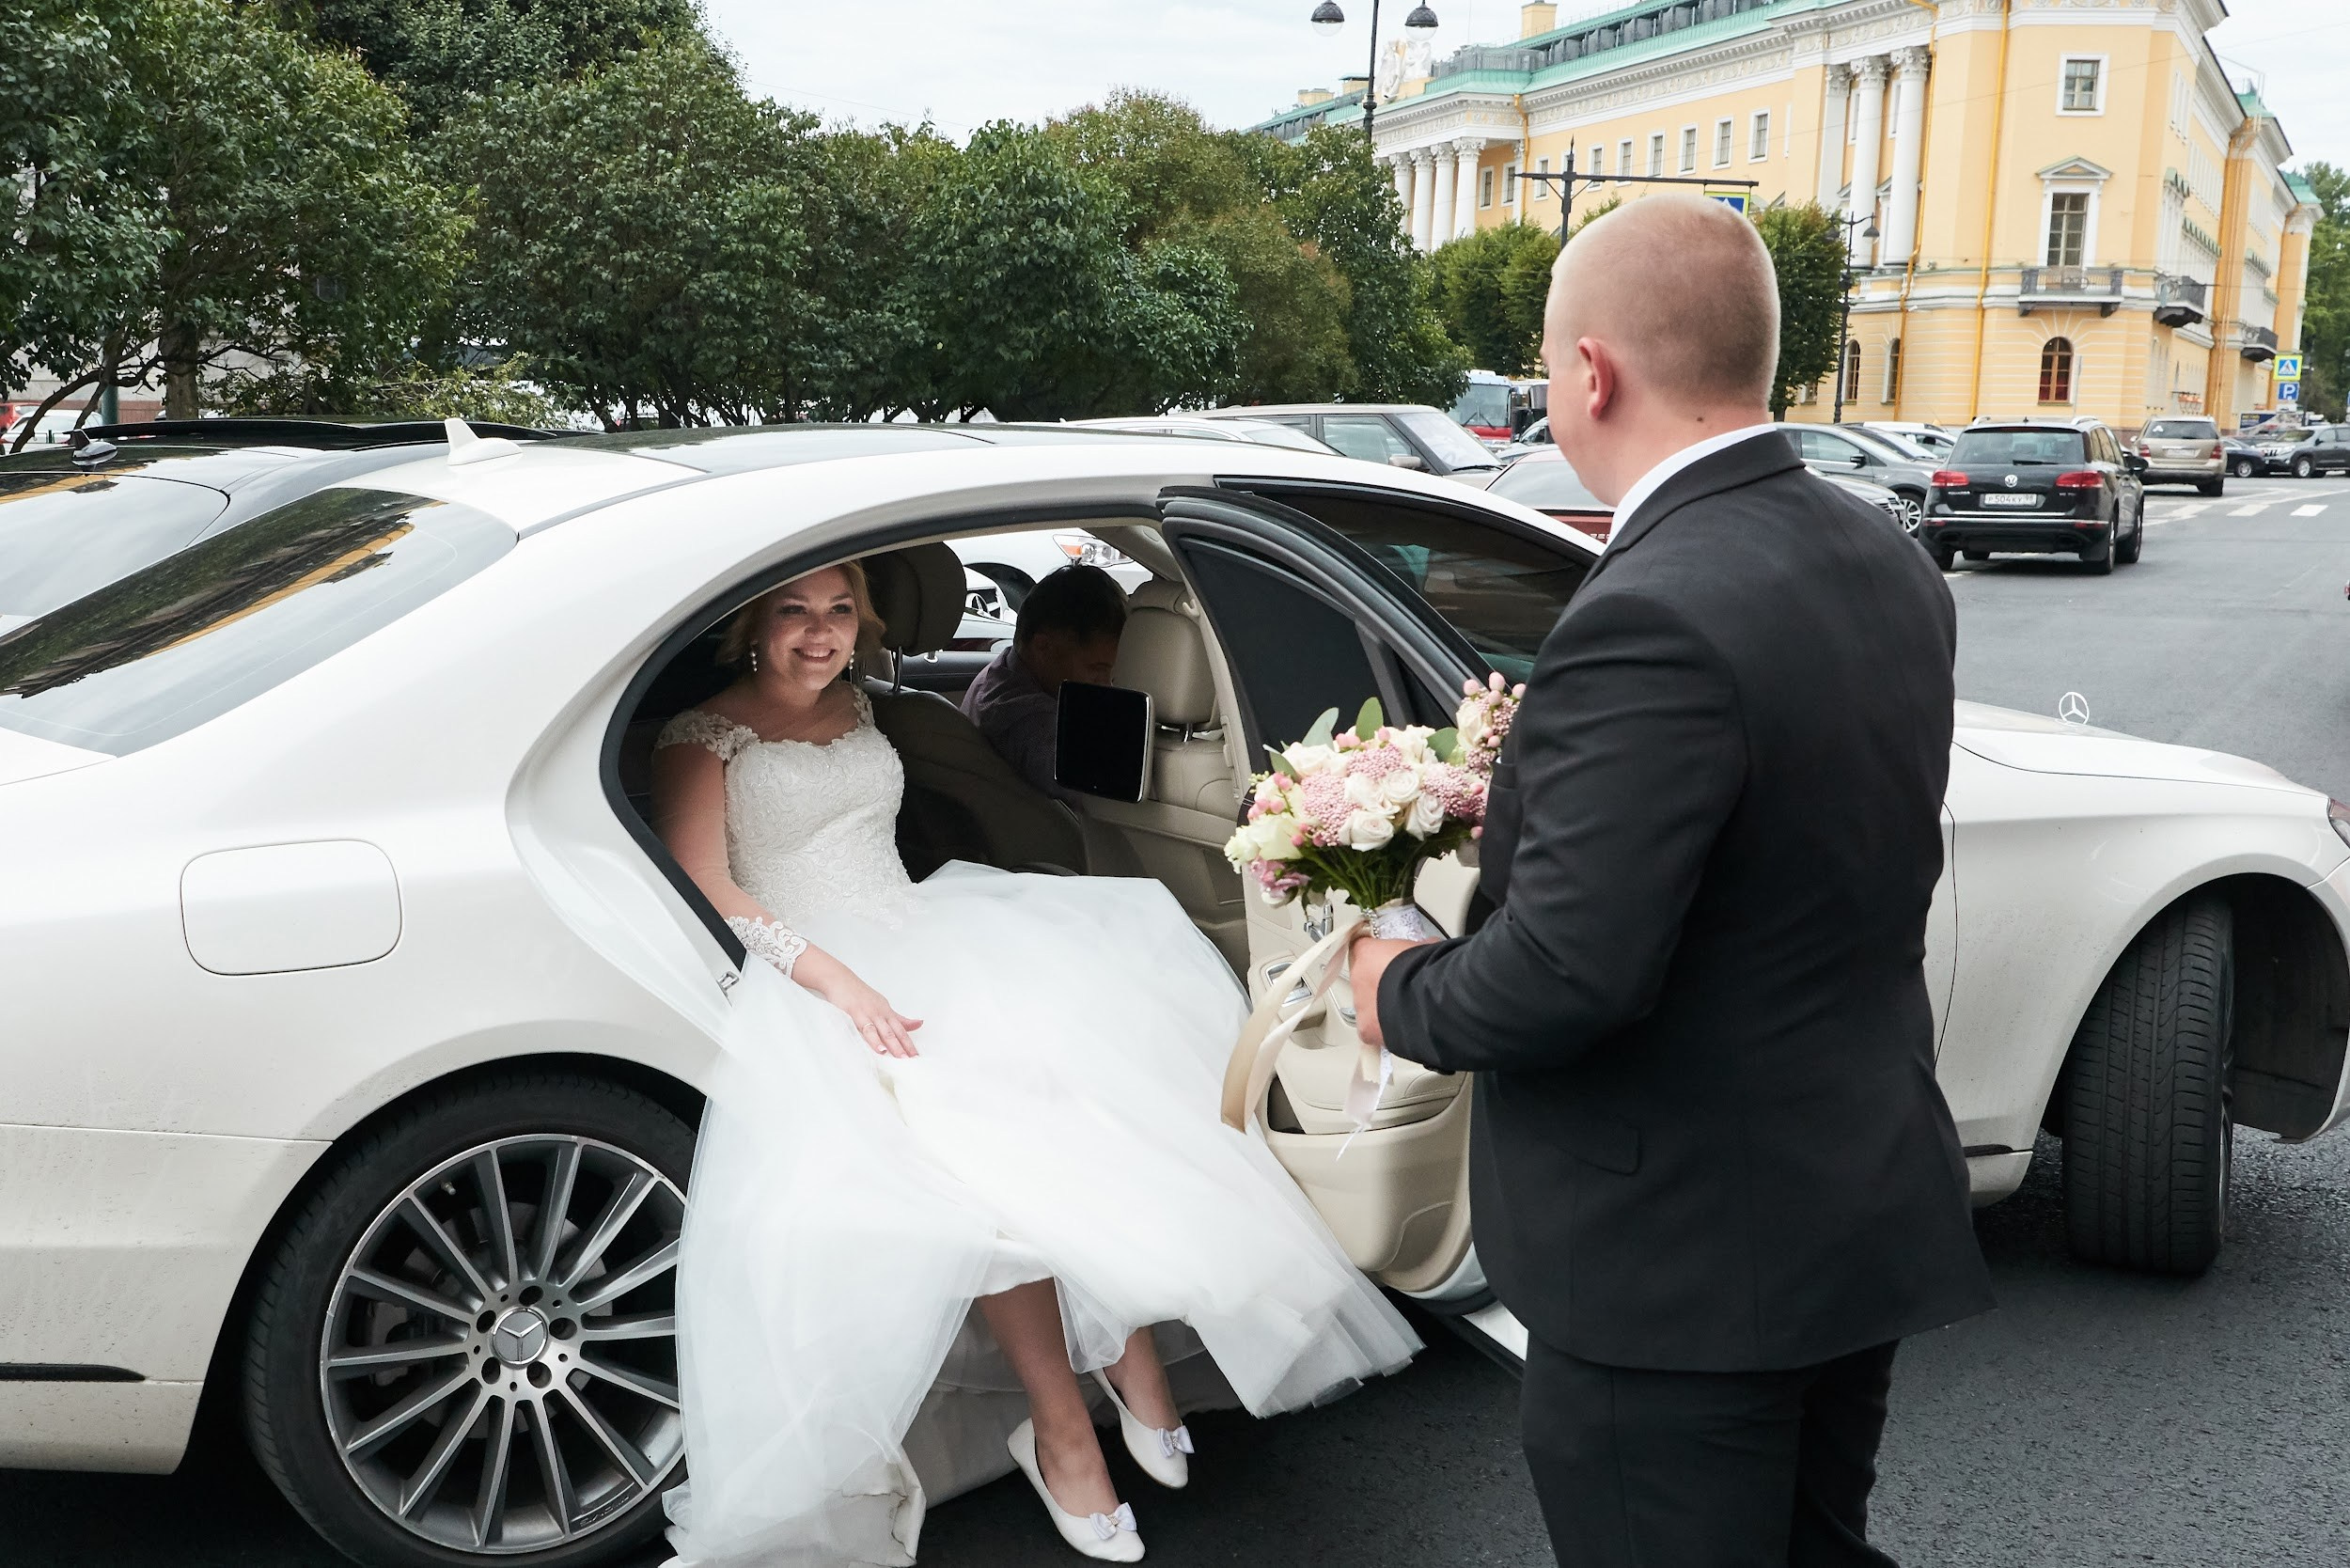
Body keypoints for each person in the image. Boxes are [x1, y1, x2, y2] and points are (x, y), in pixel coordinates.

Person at [1348, 194, 1994, 1567]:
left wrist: (1394, 984)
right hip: (1850, 1196)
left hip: (1680, 1262)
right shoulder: (1883, 557)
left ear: (1590, 372)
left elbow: (1563, 976)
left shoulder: (1649, 608)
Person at [649, 561, 1417, 1567]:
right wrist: (840, 985)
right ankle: (1060, 1431)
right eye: (795, 613)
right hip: (813, 977)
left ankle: (1131, 1355)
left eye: (840, 612)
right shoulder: (703, 735)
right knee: (974, 1167)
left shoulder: (867, 707)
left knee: (1080, 1085)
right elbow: (711, 886)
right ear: (753, 625)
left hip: (929, 932)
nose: (820, 633)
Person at [961, 563, 1127, 801]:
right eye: (1096, 670)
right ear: (1043, 646)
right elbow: (1095, 785)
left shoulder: (1003, 671)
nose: (1107, 685)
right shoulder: (1024, 719)